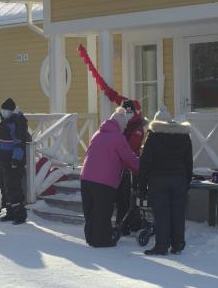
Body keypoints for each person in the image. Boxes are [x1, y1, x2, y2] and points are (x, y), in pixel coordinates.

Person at [80, 107, 140, 247]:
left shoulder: (97, 134)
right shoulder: (118, 138)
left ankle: (91, 238)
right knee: (103, 212)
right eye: (125, 125)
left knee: (90, 212)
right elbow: (130, 159)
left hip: (86, 178)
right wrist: (143, 167)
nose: (125, 128)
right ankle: (102, 240)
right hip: (104, 182)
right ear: (120, 124)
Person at [139, 106, 193, 256]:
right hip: (179, 179)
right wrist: (187, 180)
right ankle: (178, 244)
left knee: (161, 213)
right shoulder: (184, 137)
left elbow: (145, 163)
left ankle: (161, 246)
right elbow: (189, 162)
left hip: (158, 180)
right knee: (178, 212)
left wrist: (141, 186)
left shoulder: (153, 137)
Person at [0, 98, 30, 225]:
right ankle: (10, 212)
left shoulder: (16, 123)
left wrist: (16, 159)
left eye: (7, 110)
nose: (4, 112)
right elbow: (0, 142)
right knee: (6, 188)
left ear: (12, 111)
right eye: (3, 110)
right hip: (3, 160)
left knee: (14, 187)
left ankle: (20, 214)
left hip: (13, 161)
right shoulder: (3, 122)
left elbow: (18, 143)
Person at [116, 100, 146, 234]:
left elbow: (132, 147)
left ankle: (129, 224)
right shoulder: (120, 124)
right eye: (126, 111)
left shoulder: (137, 126)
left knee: (129, 197)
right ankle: (123, 224)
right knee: (121, 198)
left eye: (130, 111)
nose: (128, 114)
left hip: (130, 167)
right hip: (119, 166)